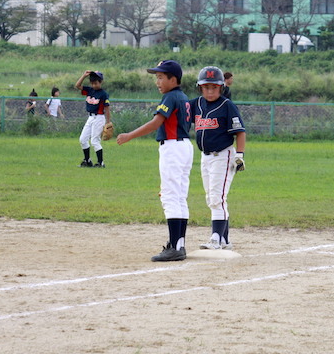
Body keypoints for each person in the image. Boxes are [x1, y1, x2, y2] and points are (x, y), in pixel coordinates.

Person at [117, 60, 194, 262]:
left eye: (161, 77)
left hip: (172, 147)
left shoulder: (170, 97)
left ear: (173, 79)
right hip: (184, 146)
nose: (157, 81)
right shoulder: (183, 97)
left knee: (170, 196)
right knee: (179, 196)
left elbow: (156, 123)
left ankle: (175, 247)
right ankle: (179, 245)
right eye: (156, 77)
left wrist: (129, 136)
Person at [191, 66, 246, 250]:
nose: (210, 91)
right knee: (212, 197)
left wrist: (240, 155)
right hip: (205, 157)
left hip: (223, 155)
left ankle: (215, 238)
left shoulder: (227, 105)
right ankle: (225, 240)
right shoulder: (197, 104)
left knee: (217, 197)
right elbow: (180, 110)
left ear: (221, 87)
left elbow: (240, 132)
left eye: (214, 87)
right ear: (200, 88)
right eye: (206, 87)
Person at [75, 71, 111, 168]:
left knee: (95, 141)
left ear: (101, 82)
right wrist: (84, 75)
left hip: (99, 118)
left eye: (96, 83)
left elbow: (107, 108)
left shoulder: (104, 94)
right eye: (92, 83)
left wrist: (108, 123)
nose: (94, 85)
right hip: (90, 118)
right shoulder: (90, 90)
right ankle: (87, 161)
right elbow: (77, 86)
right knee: (82, 139)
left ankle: (101, 163)